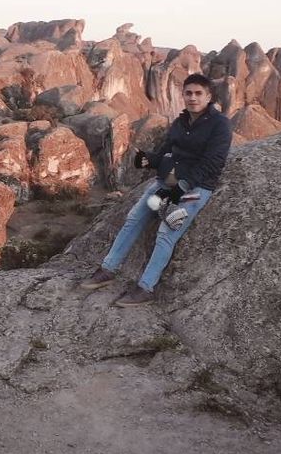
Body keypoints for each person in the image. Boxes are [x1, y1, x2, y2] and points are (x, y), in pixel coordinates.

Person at [80, 73, 232, 306]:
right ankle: (108, 270)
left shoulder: (219, 125)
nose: (192, 98)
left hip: (193, 190)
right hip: (167, 185)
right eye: (188, 93)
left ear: (209, 96)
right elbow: (166, 154)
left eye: (198, 93)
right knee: (134, 218)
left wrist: (181, 187)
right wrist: (148, 160)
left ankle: (145, 287)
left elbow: (213, 163)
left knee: (166, 232)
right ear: (183, 95)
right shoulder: (181, 122)